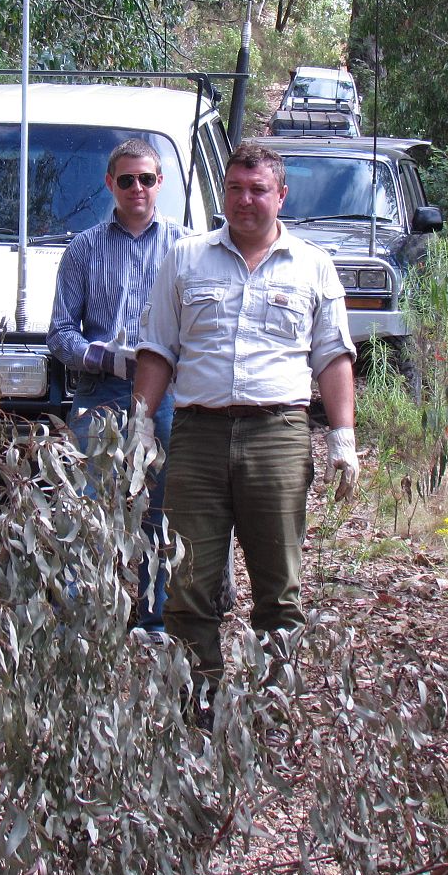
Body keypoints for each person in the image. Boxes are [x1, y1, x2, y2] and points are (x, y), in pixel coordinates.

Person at [133, 141, 359, 705]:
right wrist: (139, 427)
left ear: (281, 195)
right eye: (235, 188)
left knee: (278, 587)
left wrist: (343, 436)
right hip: (197, 437)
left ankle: (272, 708)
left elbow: (332, 355)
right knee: (188, 582)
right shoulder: (185, 259)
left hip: (278, 436)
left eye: (258, 189)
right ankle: (198, 709)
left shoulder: (312, 264)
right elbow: (158, 347)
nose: (245, 200)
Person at [48, 138, 186, 643]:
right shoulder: (83, 248)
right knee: (86, 506)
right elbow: (60, 332)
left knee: (160, 508)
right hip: (99, 394)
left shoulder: (185, 247)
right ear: (110, 184)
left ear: (159, 184)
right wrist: (105, 356)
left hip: (167, 396)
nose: (136, 188)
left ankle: (152, 618)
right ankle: (80, 617)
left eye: (145, 179)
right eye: (125, 179)